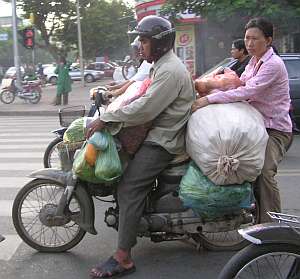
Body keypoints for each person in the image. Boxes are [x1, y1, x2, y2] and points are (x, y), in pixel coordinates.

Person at [87, 15, 195, 278]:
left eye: (144, 41)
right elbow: (142, 95)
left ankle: (123, 257)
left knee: (129, 187)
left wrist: (107, 118)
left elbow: (146, 108)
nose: (139, 45)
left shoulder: (170, 70)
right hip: (157, 133)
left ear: (158, 43)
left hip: (163, 140)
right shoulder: (161, 65)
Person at [192, 17, 293, 223]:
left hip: (275, 129)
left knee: (264, 173)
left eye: (255, 39)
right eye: (247, 38)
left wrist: (209, 99)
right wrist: (209, 85)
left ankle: (273, 226)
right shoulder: (253, 62)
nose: (249, 43)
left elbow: (246, 91)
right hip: (255, 124)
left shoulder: (273, 65)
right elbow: (238, 84)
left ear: (268, 40)